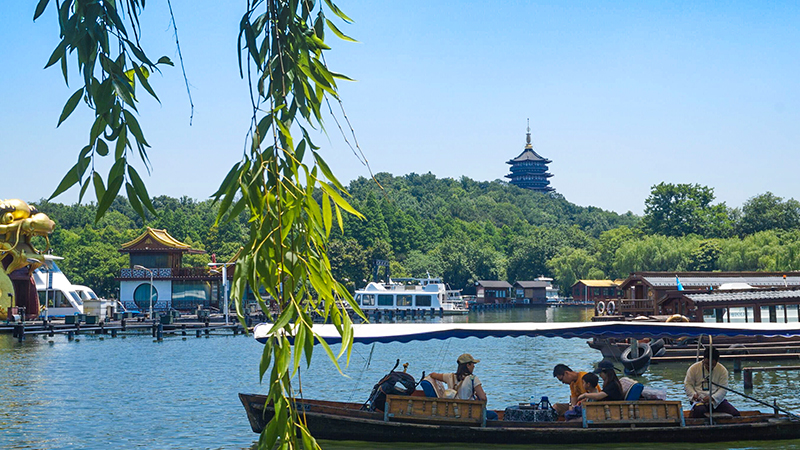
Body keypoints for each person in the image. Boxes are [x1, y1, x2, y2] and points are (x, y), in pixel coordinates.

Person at [429, 353, 498, 420]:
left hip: (453, 412)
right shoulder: (473, 379)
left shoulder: (449, 376)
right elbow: (483, 398)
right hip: (469, 413)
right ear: (468, 365)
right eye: (473, 364)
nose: (474, 366)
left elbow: (433, 375)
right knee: (494, 415)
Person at [684, 347, 740, 418]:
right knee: (699, 411)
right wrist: (693, 394)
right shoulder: (693, 368)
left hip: (716, 401)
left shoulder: (722, 370)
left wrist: (712, 398)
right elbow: (688, 384)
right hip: (699, 400)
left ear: (717, 361)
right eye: (707, 364)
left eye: (712, 365)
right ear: (704, 359)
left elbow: (723, 389)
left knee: (735, 414)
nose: (709, 367)